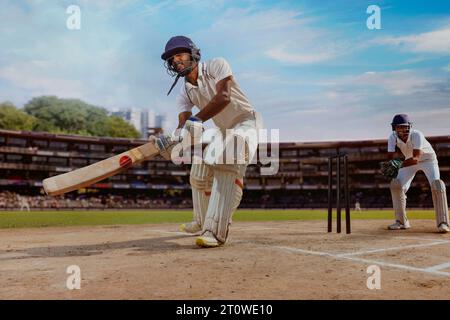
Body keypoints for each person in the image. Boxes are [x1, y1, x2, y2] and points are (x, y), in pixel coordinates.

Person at [159, 35, 262, 247]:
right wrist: (175, 138)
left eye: (179, 54)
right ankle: (200, 220)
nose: (176, 60)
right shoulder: (184, 92)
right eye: (171, 59)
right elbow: (185, 124)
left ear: (193, 53)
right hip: (223, 130)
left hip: (246, 122)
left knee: (226, 163)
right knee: (199, 168)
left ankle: (215, 231)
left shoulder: (216, 65)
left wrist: (196, 120)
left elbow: (223, 97)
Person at [386, 114, 449, 233]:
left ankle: (443, 223)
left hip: (428, 160)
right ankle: (401, 221)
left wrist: (398, 165)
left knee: (437, 185)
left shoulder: (416, 135)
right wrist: (390, 165)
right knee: (396, 185)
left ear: (409, 127)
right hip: (409, 161)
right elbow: (390, 156)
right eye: (399, 127)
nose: (402, 129)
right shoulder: (392, 137)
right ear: (394, 128)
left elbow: (416, 158)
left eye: (404, 127)